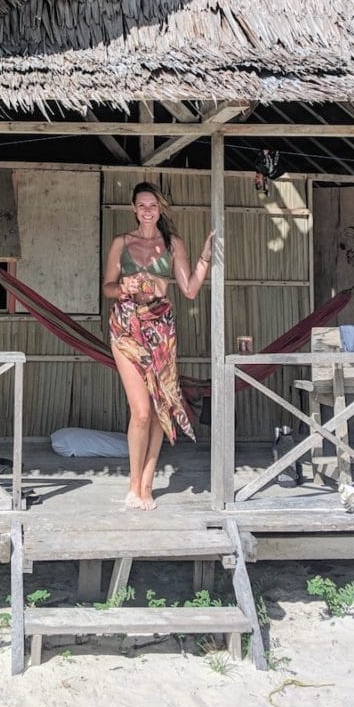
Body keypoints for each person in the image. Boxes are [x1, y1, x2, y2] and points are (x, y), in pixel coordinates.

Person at [102, 182, 214, 511]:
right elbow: (107, 288)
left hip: (161, 330)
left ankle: (146, 485)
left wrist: (205, 256)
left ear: (159, 209)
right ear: (134, 209)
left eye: (153, 205)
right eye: (142, 205)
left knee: (158, 410)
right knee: (140, 410)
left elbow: (190, 289)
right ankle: (133, 483)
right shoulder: (122, 243)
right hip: (125, 328)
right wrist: (123, 284)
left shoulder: (173, 244)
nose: (148, 210)